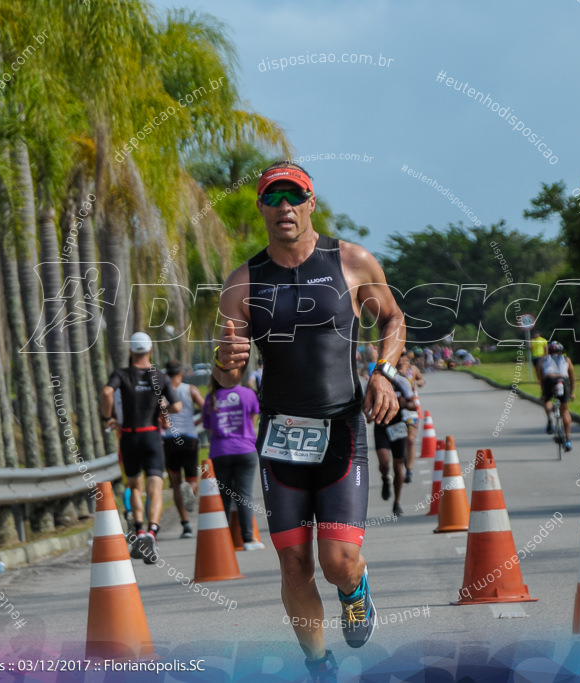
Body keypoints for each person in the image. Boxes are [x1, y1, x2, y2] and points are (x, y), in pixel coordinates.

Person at [212, 161, 405, 682]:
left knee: (339, 560)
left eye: (293, 197)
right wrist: (226, 364)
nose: (284, 208)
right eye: (272, 199)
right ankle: (319, 663)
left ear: (311, 202)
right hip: (279, 439)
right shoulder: (244, 282)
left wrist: (384, 374)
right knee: (294, 565)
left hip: (341, 429)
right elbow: (227, 377)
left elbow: (392, 317)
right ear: (261, 208)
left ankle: (354, 589)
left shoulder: (350, 261)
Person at [102, 332, 181, 563]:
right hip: (151, 435)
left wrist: (106, 417)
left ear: (130, 352)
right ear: (150, 351)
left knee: (135, 486)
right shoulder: (160, 376)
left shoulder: (121, 374)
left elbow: (107, 392)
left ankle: (138, 531)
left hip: (129, 436)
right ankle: (152, 532)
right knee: (155, 485)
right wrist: (161, 412)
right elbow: (176, 405)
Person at [202, 376, 264, 550]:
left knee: (223, 497)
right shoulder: (248, 394)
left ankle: (224, 541)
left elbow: (208, 426)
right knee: (244, 495)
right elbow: (253, 421)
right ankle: (248, 539)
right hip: (245, 449)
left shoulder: (211, 397)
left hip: (220, 451)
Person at [163, 360, 205, 539]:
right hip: (189, 437)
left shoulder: (161, 392)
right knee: (192, 478)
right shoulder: (191, 389)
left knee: (176, 483)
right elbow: (207, 409)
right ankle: (192, 489)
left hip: (169, 439)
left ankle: (186, 525)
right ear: (180, 373)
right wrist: (196, 422)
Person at [373, 368, 417, 517]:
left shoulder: (401, 382)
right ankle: (385, 478)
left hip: (398, 426)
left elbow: (414, 405)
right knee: (384, 462)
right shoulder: (373, 381)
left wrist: (404, 403)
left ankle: (397, 502)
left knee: (398, 466)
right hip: (381, 426)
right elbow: (364, 403)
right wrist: (368, 413)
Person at [540, 341, 576, 452]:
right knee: (565, 411)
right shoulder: (566, 359)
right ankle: (568, 439)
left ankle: (550, 419)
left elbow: (541, 377)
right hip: (562, 380)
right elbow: (572, 377)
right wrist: (571, 392)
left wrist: (543, 393)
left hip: (549, 379)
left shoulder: (544, 359)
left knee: (547, 399)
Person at [396, 355, 422, 483]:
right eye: (399, 356)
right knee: (400, 441)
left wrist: (420, 382)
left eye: (404, 356)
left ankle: (409, 469)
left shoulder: (413, 369)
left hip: (411, 409)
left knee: (410, 439)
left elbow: (421, 379)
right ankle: (403, 464)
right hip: (396, 410)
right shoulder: (391, 370)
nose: (402, 359)